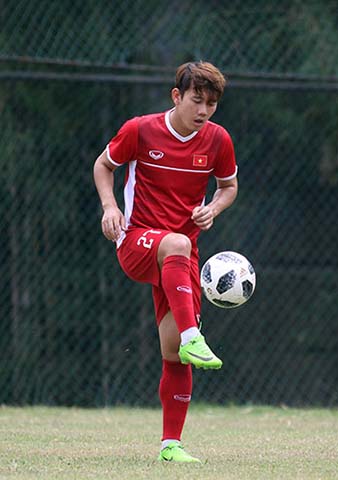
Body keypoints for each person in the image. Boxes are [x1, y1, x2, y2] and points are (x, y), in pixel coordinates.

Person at [93, 61, 238, 463]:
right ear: (177, 96)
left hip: (181, 255)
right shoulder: (141, 129)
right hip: (136, 242)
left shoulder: (218, 140)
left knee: (174, 352)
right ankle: (195, 335)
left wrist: (214, 208)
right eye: (197, 100)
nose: (204, 110)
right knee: (174, 245)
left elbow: (229, 186)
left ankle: (170, 445)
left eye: (211, 103)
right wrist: (109, 208)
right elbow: (103, 165)